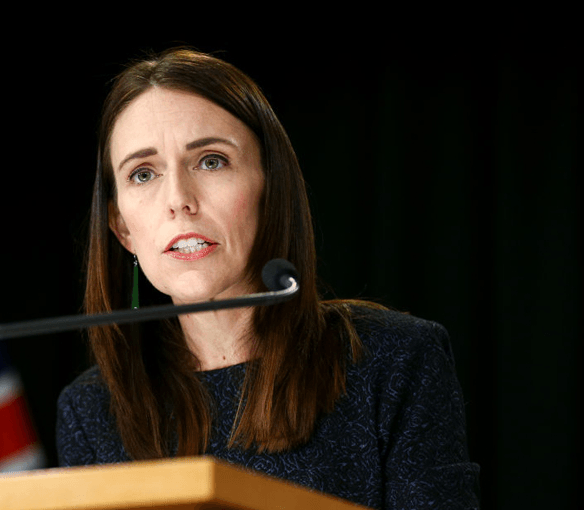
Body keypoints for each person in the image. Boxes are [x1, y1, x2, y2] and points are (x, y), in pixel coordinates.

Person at [56, 48, 480, 509]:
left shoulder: (395, 360)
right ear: (122, 228)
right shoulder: (92, 411)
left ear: (270, 187)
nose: (178, 199)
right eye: (143, 174)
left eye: (211, 161)